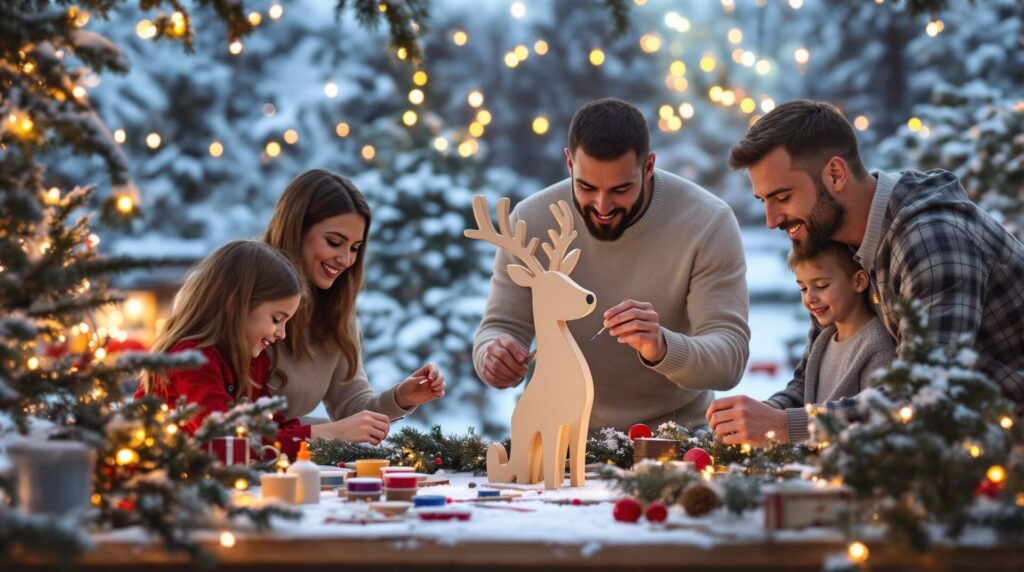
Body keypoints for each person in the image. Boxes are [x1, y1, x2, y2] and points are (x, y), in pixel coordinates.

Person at [711, 99, 1024, 445]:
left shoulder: (931, 239)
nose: (772, 221)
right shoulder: (837, 240)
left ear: (835, 174)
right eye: (764, 201)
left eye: (782, 197)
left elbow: (927, 393)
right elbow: (809, 378)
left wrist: (787, 426)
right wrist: (759, 419)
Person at [473, 98, 750, 430]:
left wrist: (662, 347)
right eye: (587, 187)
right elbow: (500, 327)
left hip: (671, 439)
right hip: (554, 436)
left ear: (648, 167)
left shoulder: (707, 222)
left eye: (621, 189)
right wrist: (494, 356)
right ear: (569, 164)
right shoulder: (531, 220)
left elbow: (729, 357)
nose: (602, 206)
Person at [264, 169, 446, 445]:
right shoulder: (247, 295)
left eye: (355, 248)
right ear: (295, 230)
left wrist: (400, 397)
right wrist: (329, 431)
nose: (345, 259)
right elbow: (235, 425)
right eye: (334, 242)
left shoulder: (334, 309)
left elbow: (349, 406)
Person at [136, 240, 310, 459]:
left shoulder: (253, 363)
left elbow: (272, 426)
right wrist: (315, 436)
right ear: (236, 305)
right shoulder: (191, 361)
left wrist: (327, 439)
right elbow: (223, 441)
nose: (282, 334)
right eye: (276, 319)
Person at [708, 242, 896, 444]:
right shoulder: (823, 340)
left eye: (821, 286)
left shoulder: (877, 343)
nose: (810, 298)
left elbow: (877, 421)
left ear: (859, 282)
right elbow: (803, 391)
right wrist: (768, 412)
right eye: (803, 288)